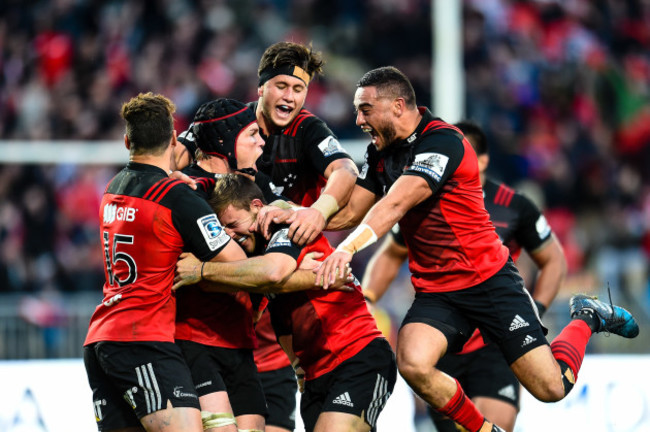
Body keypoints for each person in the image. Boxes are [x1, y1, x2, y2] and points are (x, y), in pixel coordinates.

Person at [306, 66, 638, 432]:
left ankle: (587, 315)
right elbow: (352, 211)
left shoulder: (443, 142)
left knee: (552, 387)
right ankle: (483, 430)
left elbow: (395, 204)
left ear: (397, 106)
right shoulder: (380, 153)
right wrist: (302, 215)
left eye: (365, 109)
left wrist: (347, 250)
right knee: (413, 362)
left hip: (488, 282)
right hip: (438, 292)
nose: (358, 119)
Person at [360, 120, 568, 432]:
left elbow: (553, 260)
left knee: (536, 396)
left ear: (481, 160)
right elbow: (391, 253)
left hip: (496, 336)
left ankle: (587, 318)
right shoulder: (422, 199)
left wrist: (537, 308)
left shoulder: (514, 206)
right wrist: (367, 299)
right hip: (446, 332)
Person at [176, 173, 396, 432]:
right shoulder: (256, 256)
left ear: (257, 206)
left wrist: (201, 270)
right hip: (316, 375)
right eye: (224, 229)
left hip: (357, 356)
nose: (231, 235)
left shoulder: (286, 226)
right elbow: (260, 290)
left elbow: (272, 273)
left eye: (234, 224)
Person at [82, 92, 237, 432]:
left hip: (101, 340)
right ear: (173, 138)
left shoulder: (112, 188)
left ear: (126, 141)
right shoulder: (175, 196)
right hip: (143, 340)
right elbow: (235, 260)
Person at [251, 41, 359, 245]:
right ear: (261, 88)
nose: (289, 97)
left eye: (298, 89)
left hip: (290, 243)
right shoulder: (233, 122)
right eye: (281, 86)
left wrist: (319, 211)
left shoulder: (308, 129)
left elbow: (346, 170)